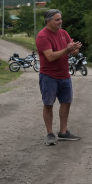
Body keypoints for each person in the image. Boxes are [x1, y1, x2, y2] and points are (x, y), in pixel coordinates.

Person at [36, 9, 82, 145]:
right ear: (48, 21)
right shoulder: (42, 36)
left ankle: (63, 132)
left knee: (66, 103)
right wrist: (67, 50)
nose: (60, 22)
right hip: (48, 76)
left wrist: (74, 49)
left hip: (64, 75)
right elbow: (50, 57)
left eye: (60, 19)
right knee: (48, 104)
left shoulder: (63, 33)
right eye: (57, 19)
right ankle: (50, 134)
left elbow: (74, 51)